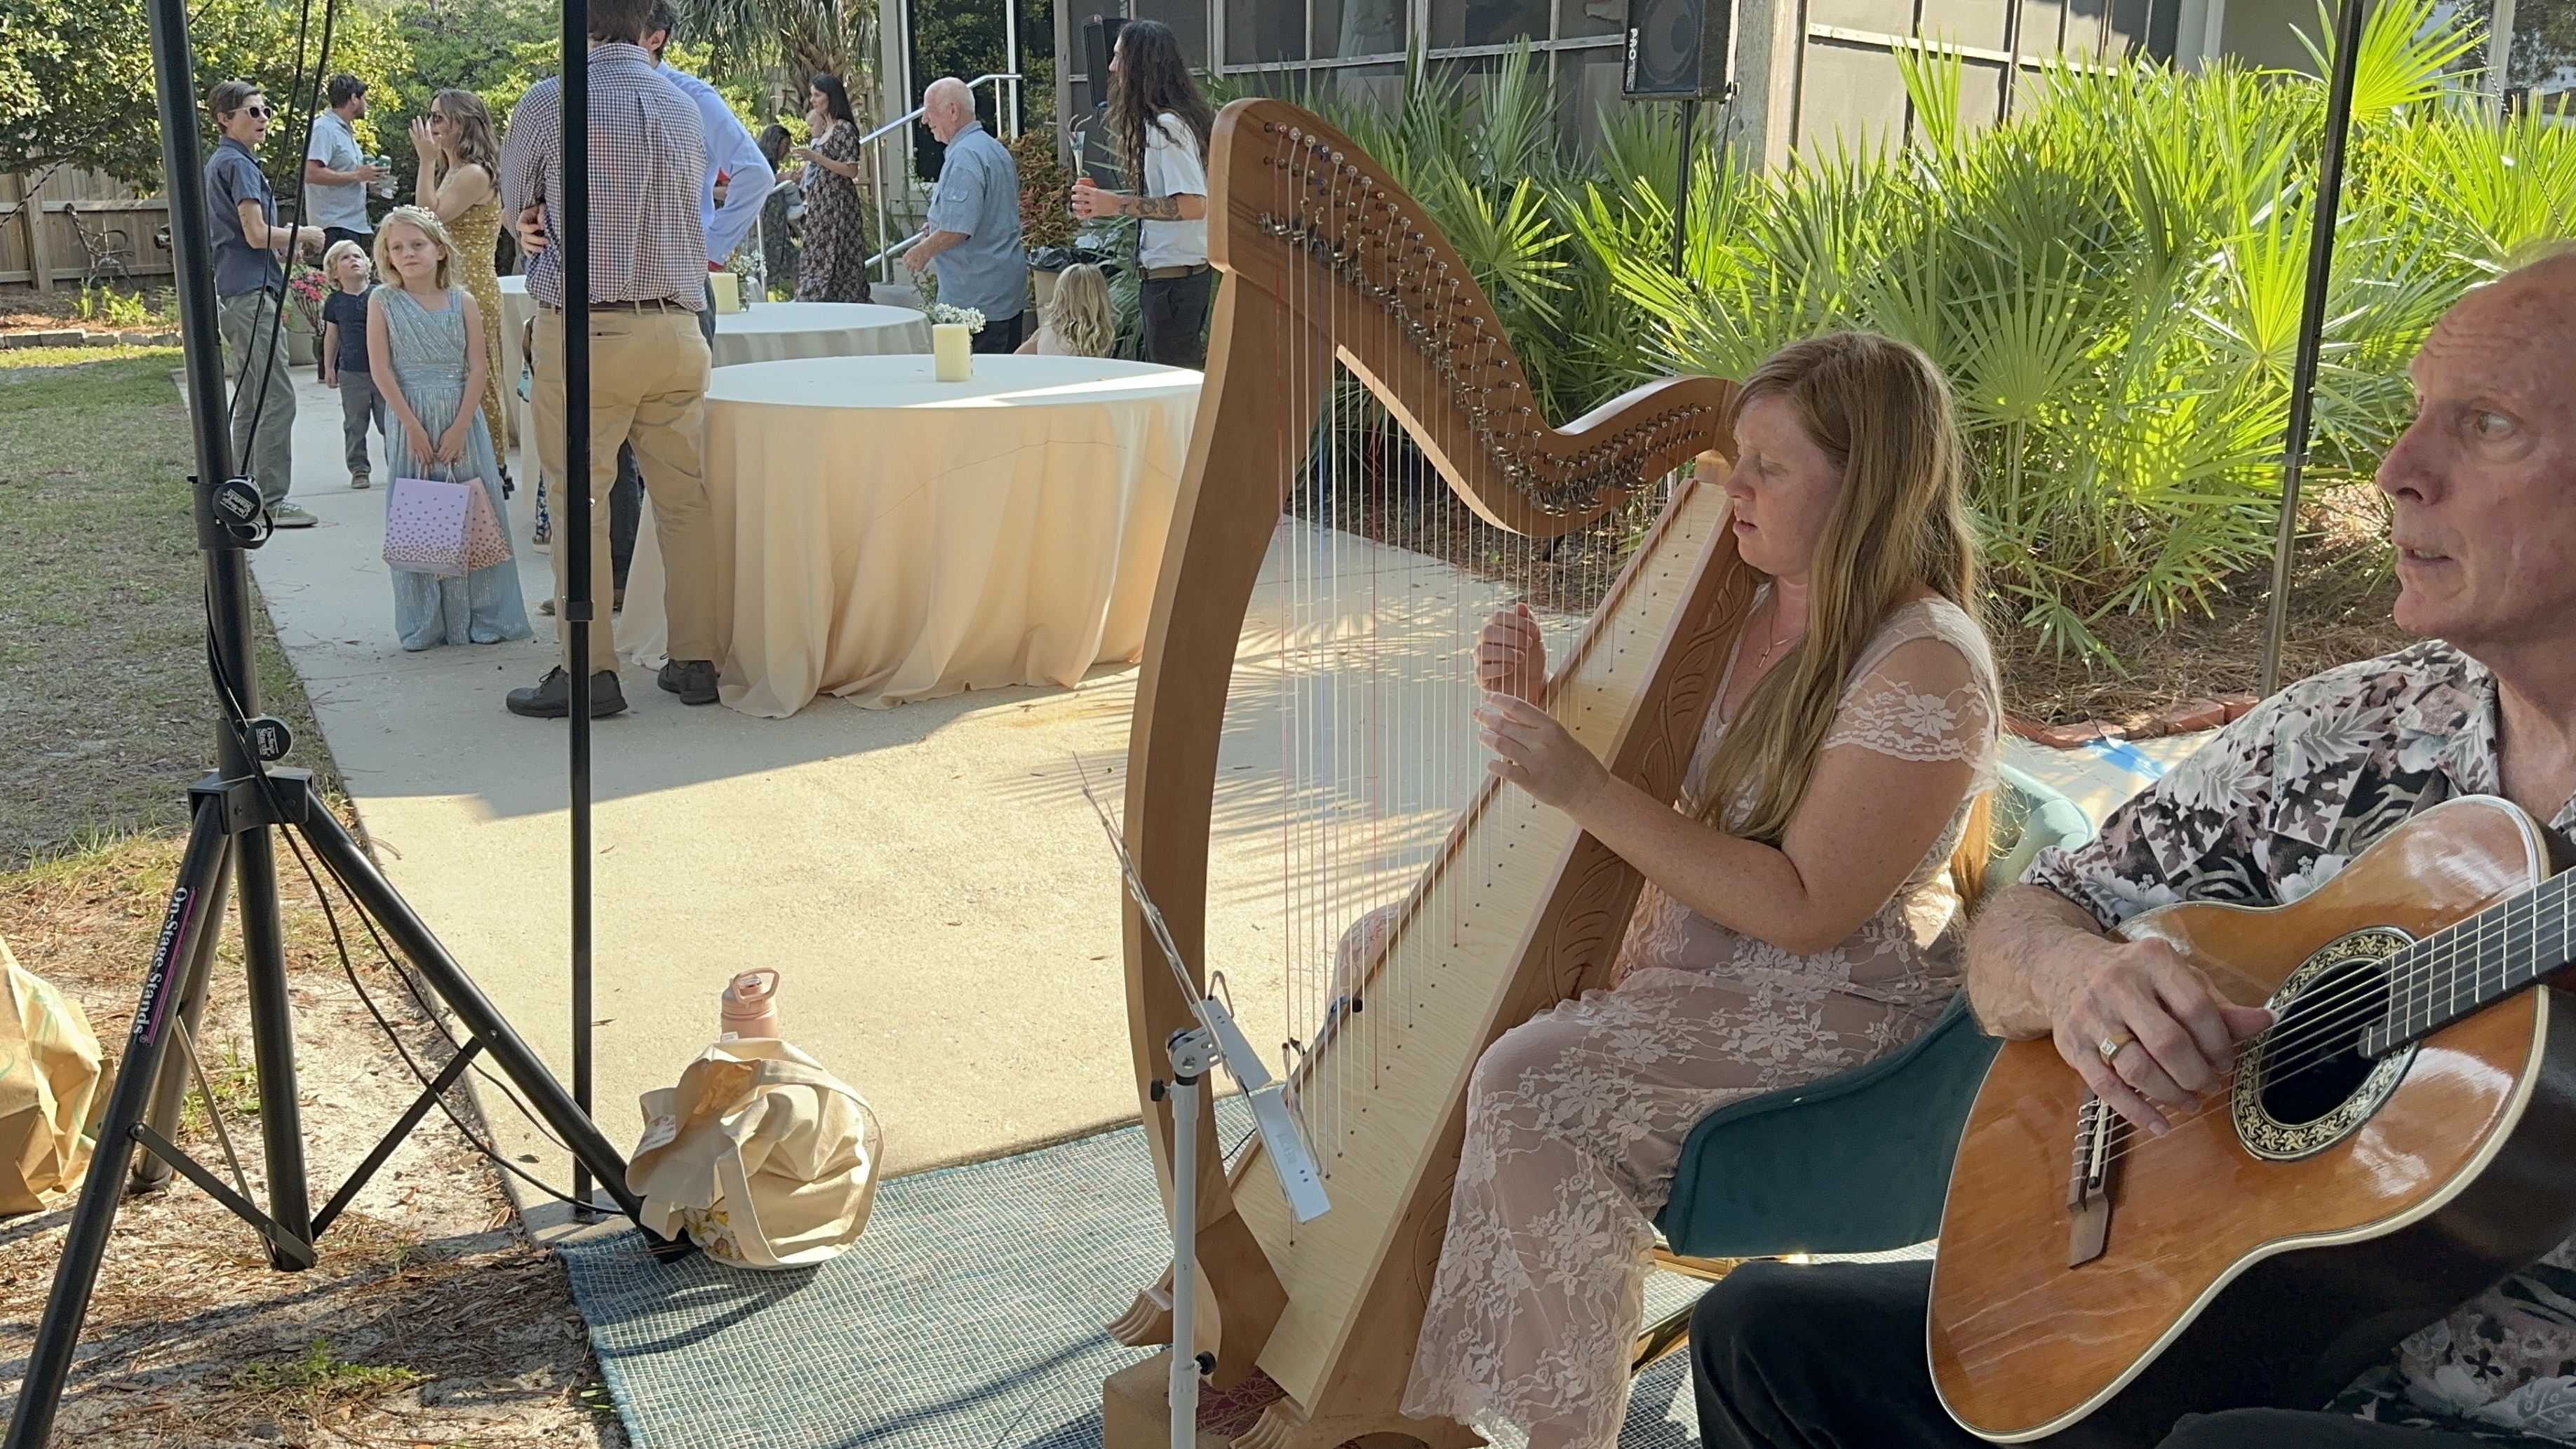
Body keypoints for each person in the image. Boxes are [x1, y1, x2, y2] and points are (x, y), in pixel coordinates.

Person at [1689, 248, 2576, 1449]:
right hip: (2200, 1316)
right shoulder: (2350, 724)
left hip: (2495, 1411)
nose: (2396, 471)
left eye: (2484, 425)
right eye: (2414, 416)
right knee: (1768, 1336)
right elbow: (2023, 920)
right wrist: (2084, 977)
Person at [1397, 332, 1999, 1449]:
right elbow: (1657, 769)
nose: (1732, 485)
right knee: (1391, 962)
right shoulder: (1744, 594)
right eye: (1740, 456)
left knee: (1532, 1082)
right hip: (1694, 951)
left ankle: (1557, 1430)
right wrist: (1546, 702)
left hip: (1828, 1005)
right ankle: (1382, 1354)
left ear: (1863, 484)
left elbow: (1806, 903)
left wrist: (1578, 782)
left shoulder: (1925, 662)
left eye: (1771, 465)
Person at [499, 0, 720, 717]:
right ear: (643, 22)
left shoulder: (550, 97)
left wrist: (528, 220)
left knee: (579, 505)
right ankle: (696, 661)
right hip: (681, 327)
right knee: (685, 501)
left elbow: (517, 206)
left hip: (588, 329)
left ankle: (589, 670)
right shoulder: (683, 104)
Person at [368, 206, 533, 650]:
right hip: (411, 418)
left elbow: (478, 368)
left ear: (440, 250)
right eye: (397, 247)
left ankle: (485, 615)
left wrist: (461, 427)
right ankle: (429, 621)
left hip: (462, 416)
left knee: (473, 513)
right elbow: (381, 369)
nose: (408, 254)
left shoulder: (464, 301)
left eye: (417, 244)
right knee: (421, 513)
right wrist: (412, 428)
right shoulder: (382, 301)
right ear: (387, 255)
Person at [206, 80, 323, 529]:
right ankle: (270, 500)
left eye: (266, 110)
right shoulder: (238, 164)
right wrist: (304, 234)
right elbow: (256, 235)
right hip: (251, 293)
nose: (263, 118)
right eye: (252, 112)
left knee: (254, 396)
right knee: (277, 397)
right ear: (225, 118)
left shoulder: (226, 162)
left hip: (241, 291)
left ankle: (242, 490)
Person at [1069, 19, 1213, 368]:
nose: (1112, 66)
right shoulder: (1169, 124)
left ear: (1139, 65)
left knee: (1176, 386)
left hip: (1175, 284)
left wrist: (1114, 204)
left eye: (1119, 57)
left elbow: (1194, 205)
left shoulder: (1168, 128)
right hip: (1174, 282)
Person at [410, 88, 516, 497]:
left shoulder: (474, 173)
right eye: (431, 117)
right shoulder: (454, 171)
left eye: (440, 119)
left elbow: (427, 218)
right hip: (453, 288)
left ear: (464, 123)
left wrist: (424, 162)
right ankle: (466, 462)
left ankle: (492, 465)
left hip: (472, 289)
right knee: (452, 380)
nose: (432, 126)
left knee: (477, 378)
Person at [904, 76, 1027, 352]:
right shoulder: (993, 149)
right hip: (1001, 296)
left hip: (976, 304)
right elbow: (986, 216)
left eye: (929, 110)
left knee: (975, 386)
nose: (924, 120)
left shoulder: (965, 157)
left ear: (952, 110)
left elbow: (958, 228)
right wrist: (935, 227)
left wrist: (922, 251)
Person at [790, 74, 871, 303]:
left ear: (830, 97)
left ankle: (844, 299)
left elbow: (850, 169)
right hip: (820, 202)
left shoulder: (844, 129)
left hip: (838, 201)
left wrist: (815, 157)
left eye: (818, 95)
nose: (813, 100)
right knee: (817, 252)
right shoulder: (824, 129)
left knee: (840, 254)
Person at [318, 240, 384, 490]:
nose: (354, 260)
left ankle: (399, 465)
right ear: (334, 272)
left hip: (383, 370)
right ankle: (359, 469)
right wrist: (329, 368)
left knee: (389, 422)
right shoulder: (335, 302)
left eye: (358, 256)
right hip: (352, 372)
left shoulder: (380, 294)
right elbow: (332, 336)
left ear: (367, 265)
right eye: (345, 258)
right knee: (355, 424)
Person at [304, 74, 388, 255]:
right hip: (335, 228)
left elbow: (344, 176)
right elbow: (311, 174)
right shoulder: (323, 128)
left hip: (352, 226)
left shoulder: (344, 132)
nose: (367, 104)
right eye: (364, 98)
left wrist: (370, 185)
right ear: (353, 99)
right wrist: (358, 175)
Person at [1016, 262, 1115, 356]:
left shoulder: (1048, 328)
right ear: (1100, 298)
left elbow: (1017, 356)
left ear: (1060, 296)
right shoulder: (1095, 338)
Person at [756, 124, 800, 298]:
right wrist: (784, 177)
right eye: (785, 145)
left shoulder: (771, 166)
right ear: (775, 143)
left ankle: (803, 302)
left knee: (801, 264)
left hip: (779, 233)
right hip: (765, 231)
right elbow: (760, 179)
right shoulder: (760, 162)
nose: (787, 151)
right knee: (762, 273)